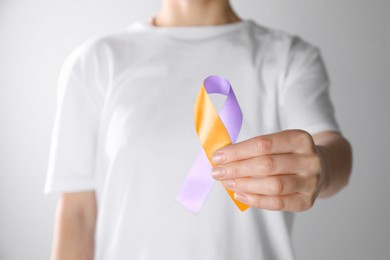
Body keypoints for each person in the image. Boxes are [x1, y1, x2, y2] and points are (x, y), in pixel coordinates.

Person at [45, 0, 352, 259]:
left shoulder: (288, 56)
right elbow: (78, 214)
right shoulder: (96, 61)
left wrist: (322, 166)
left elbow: (329, 145)